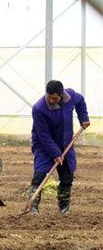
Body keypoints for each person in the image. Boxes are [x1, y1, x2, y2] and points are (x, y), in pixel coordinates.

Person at [28, 80, 89, 214]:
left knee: (67, 178)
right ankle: (32, 208)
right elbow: (43, 134)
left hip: (66, 143)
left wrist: (83, 117)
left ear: (61, 94)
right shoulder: (38, 108)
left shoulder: (70, 96)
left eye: (54, 98)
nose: (51, 100)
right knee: (39, 175)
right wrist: (55, 153)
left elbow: (80, 102)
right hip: (44, 145)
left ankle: (64, 208)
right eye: (49, 97)